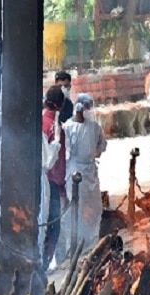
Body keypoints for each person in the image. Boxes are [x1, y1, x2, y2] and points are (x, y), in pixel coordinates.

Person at [63, 93, 107, 253]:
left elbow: (102, 145)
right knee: (77, 208)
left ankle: (92, 241)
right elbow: (65, 150)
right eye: (87, 107)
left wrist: (96, 152)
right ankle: (75, 244)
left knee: (94, 207)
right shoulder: (68, 127)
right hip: (75, 170)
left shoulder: (94, 127)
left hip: (90, 171)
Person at [41, 85, 67, 270]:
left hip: (43, 181)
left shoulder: (41, 120)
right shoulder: (55, 127)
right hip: (51, 182)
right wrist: (61, 184)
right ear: (61, 104)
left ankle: (42, 262)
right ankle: (44, 263)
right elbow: (54, 161)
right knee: (53, 225)